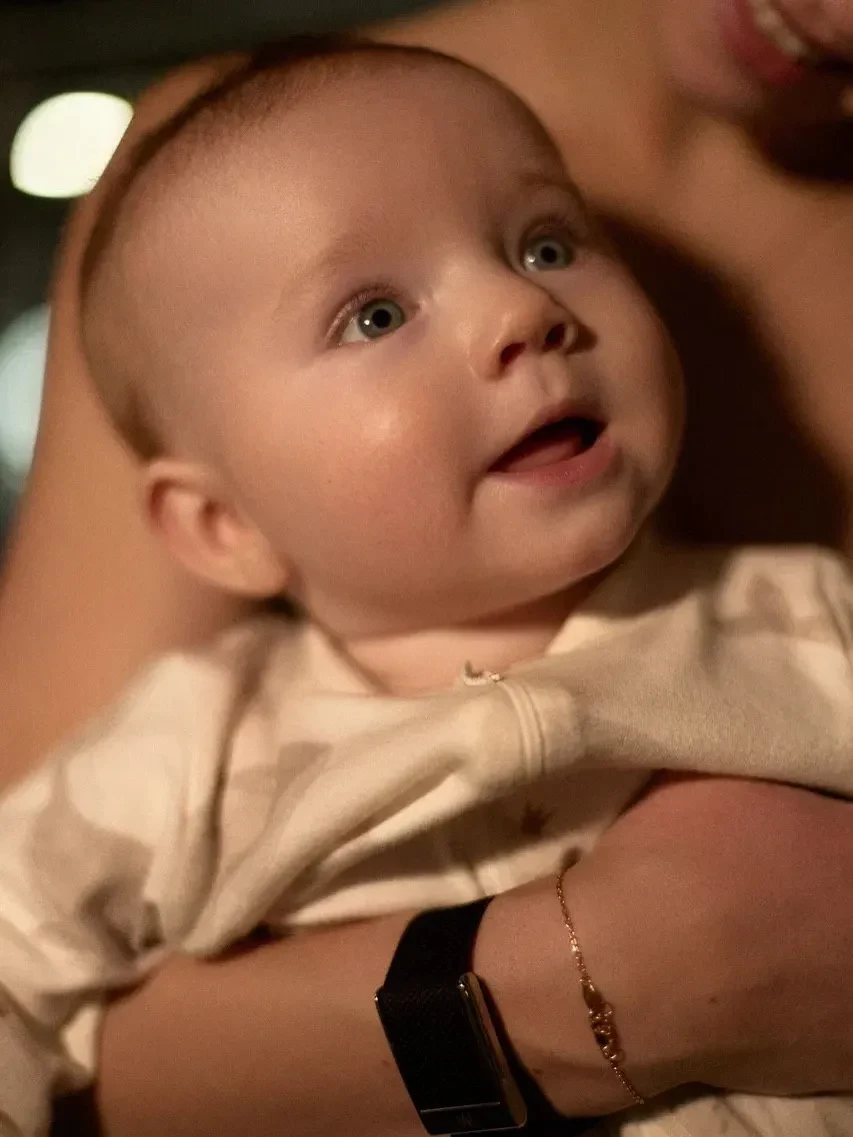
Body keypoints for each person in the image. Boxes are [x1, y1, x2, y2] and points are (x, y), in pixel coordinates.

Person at [1, 4, 852, 1137]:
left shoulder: (796, 620)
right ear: (221, 525)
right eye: (375, 315)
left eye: (546, 246)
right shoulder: (184, 758)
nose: (524, 309)